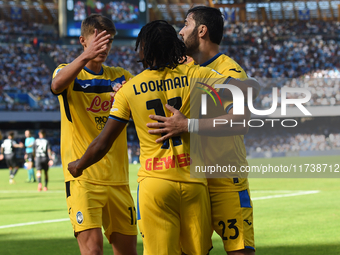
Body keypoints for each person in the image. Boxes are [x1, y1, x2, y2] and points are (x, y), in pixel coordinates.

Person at [68, 20, 259, 255]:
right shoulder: (196, 74)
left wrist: (79, 165)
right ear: (174, 47)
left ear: (144, 50)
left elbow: (102, 143)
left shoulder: (129, 88)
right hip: (194, 183)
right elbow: (249, 88)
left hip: (154, 183)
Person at [147, 6, 256, 255]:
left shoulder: (230, 71)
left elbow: (241, 121)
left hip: (226, 181)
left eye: (186, 24)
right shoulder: (183, 70)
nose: (181, 31)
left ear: (202, 30)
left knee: (240, 252)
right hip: (191, 182)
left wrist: (187, 125)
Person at [51, 14, 137, 255]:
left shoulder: (121, 76)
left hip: (119, 180)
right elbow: (56, 85)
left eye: (108, 42)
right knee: (92, 252)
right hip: (83, 180)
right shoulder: (67, 73)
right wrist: (86, 56)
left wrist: (126, 97)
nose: (104, 47)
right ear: (82, 41)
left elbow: (142, 106)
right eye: (98, 41)